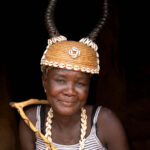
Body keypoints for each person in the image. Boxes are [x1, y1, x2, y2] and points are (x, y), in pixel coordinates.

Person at [12, 0, 129, 149]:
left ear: (88, 87)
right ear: (44, 81)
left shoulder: (105, 123)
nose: (70, 91)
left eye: (80, 83)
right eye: (60, 80)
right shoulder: (31, 121)